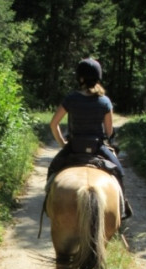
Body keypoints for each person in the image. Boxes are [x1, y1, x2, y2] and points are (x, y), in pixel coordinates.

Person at [47, 58, 133, 218]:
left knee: (52, 169)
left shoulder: (71, 98)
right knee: (119, 172)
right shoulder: (105, 101)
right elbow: (109, 132)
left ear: (80, 78)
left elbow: (54, 123)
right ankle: (122, 208)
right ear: (98, 77)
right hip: (96, 147)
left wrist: (62, 143)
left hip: (73, 147)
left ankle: (48, 205)